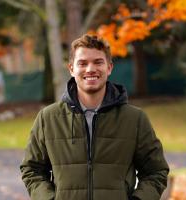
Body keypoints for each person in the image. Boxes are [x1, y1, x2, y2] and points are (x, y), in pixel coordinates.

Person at [20, 34, 169, 200]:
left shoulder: (135, 119)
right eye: (82, 63)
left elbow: (156, 171)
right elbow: (31, 169)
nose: (90, 69)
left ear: (109, 67)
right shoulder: (48, 118)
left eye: (98, 62)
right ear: (71, 69)